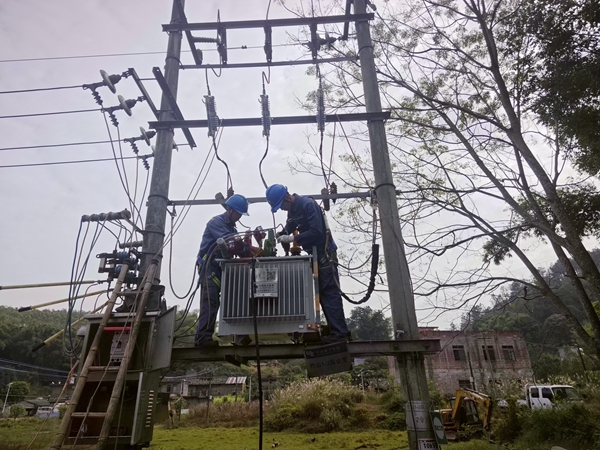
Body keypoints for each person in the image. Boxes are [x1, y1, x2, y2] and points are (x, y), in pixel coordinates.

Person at [265, 184, 351, 343]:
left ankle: (340, 334)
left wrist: (293, 239)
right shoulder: (293, 209)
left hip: (325, 254)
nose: (282, 209)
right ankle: (336, 331)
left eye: (281, 205)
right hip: (315, 256)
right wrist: (282, 233)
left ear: (287, 197)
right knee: (322, 294)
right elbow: (291, 224)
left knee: (329, 293)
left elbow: (317, 232)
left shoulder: (307, 205)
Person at [195, 194, 250, 348]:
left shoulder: (231, 227)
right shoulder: (216, 222)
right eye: (238, 213)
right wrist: (246, 247)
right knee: (210, 300)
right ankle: (202, 339)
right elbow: (230, 242)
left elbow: (236, 244)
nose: (239, 217)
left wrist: (247, 248)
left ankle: (239, 333)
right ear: (230, 210)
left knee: (233, 296)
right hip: (209, 267)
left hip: (221, 267)